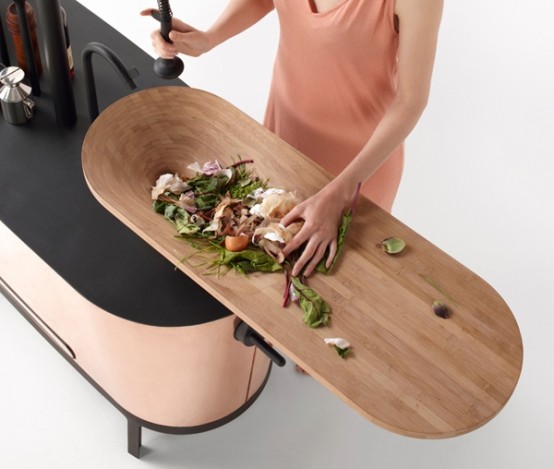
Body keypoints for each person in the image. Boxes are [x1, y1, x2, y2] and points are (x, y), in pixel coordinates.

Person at [141, 0, 443, 278]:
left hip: (358, 168)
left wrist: (339, 194)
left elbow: (410, 101)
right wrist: (210, 37)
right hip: (283, 134)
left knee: (332, 286)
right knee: (263, 260)